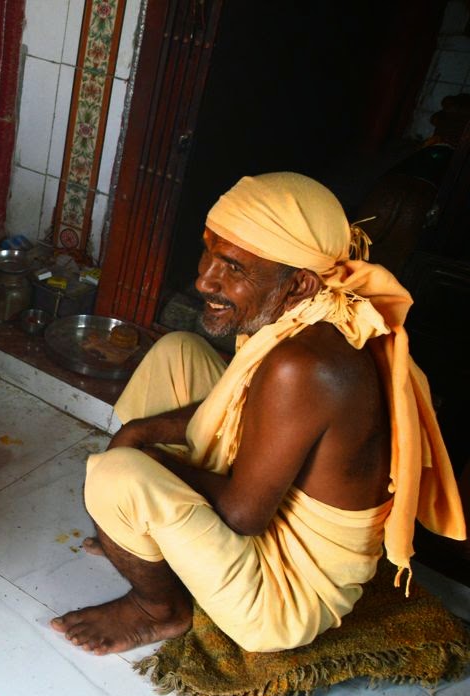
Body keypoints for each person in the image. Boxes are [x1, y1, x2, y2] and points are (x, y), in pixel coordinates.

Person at [54, 172, 466, 655]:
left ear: (298, 284)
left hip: (285, 594)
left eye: (233, 267)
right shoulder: (310, 314)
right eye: (210, 251)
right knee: (178, 350)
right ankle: (145, 540)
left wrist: (143, 455)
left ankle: (158, 610)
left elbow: (244, 514)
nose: (205, 279)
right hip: (260, 516)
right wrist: (142, 430)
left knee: (115, 475)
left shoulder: (304, 365)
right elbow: (242, 410)